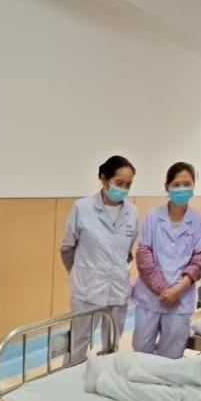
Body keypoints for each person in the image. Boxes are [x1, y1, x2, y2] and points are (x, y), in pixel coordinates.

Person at [61, 155, 139, 364]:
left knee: (112, 346)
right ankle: (70, 379)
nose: (123, 189)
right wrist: (81, 274)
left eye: (128, 185)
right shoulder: (82, 208)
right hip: (87, 289)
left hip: (118, 288)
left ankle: (106, 379)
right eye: (119, 183)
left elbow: (127, 252)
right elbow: (67, 249)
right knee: (78, 345)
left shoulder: (132, 212)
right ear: (104, 179)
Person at [132, 162, 201, 359]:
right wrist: (164, 290)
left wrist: (178, 290)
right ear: (167, 186)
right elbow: (144, 255)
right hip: (150, 297)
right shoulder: (153, 217)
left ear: (193, 186)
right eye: (176, 184)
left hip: (180, 299)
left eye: (187, 184)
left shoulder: (198, 221)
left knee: (171, 356)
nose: (182, 189)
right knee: (141, 351)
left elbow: (199, 260)